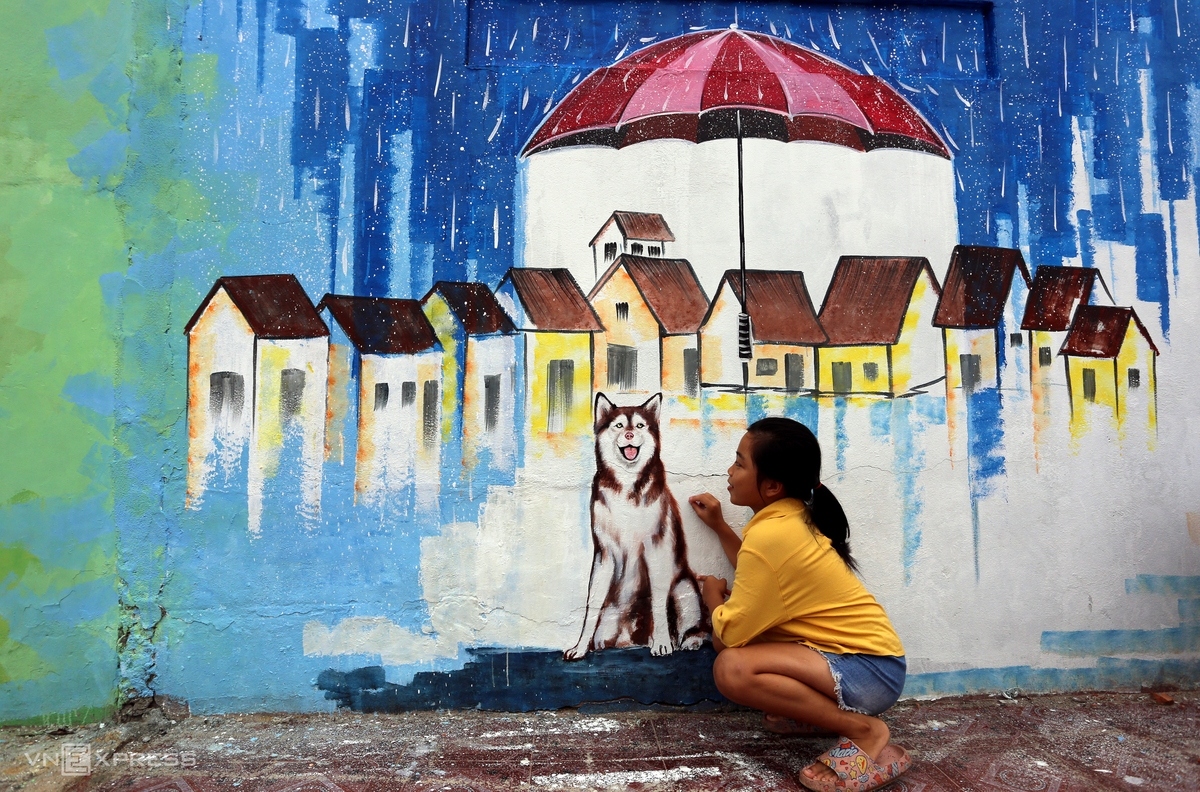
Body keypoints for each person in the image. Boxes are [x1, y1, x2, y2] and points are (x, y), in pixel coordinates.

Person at [688, 417, 910, 792]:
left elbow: (727, 636)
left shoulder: (773, 533)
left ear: (772, 486)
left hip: (868, 671)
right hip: (869, 664)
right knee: (747, 649)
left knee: (732, 667)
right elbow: (764, 573)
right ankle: (821, 717)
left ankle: (865, 730)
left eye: (740, 463)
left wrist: (713, 598)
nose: (730, 470)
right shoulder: (789, 518)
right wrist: (721, 528)